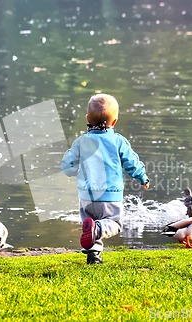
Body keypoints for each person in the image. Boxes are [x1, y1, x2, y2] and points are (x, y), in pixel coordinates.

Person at [61, 93, 149, 264]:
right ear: (114, 122)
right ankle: (97, 230)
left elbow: (67, 165)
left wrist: (71, 170)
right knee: (113, 224)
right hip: (109, 195)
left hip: (86, 196)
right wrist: (142, 177)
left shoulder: (81, 142)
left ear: (87, 118)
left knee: (89, 223)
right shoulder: (117, 141)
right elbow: (131, 163)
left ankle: (93, 256)